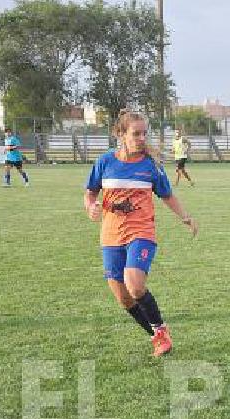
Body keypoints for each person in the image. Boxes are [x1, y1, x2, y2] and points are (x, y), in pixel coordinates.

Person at [83, 110, 198, 357]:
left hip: (141, 232)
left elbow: (167, 195)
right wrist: (91, 206)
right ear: (121, 134)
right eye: (136, 133)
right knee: (124, 299)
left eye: (145, 133)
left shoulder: (151, 166)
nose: (142, 138)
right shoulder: (105, 162)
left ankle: (161, 331)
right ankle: (157, 335)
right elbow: (91, 191)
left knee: (135, 285)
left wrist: (185, 217)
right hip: (111, 235)